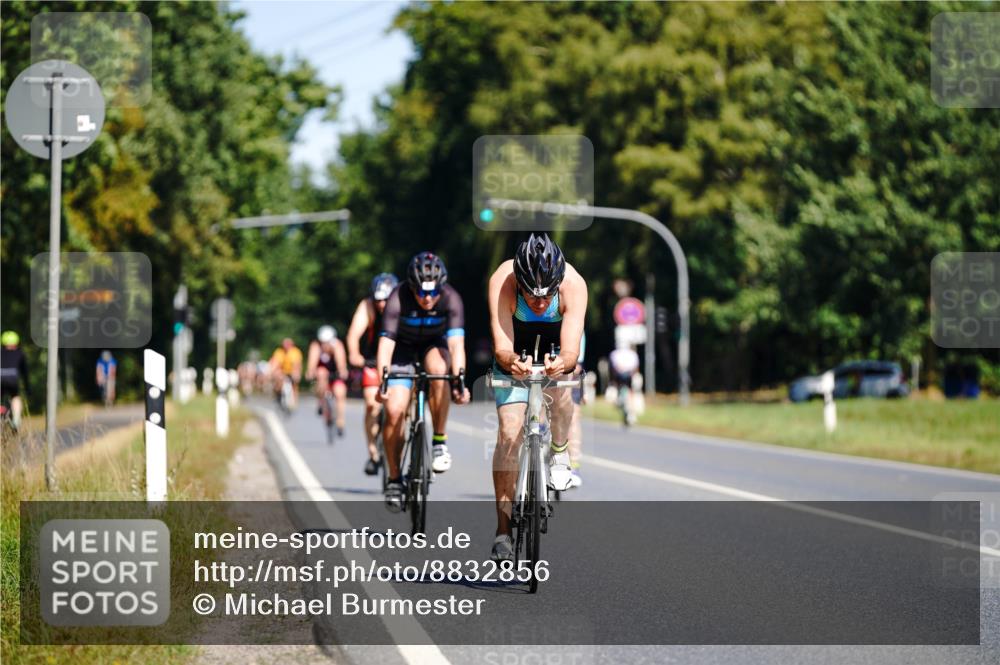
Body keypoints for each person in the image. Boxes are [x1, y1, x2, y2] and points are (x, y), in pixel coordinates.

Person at [487, 233, 587, 561]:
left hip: (557, 347)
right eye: (531, 295)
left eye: (547, 296)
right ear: (519, 282)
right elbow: (502, 347)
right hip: (515, 351)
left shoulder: (574, 284)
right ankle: (503, 530)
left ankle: (559, 452)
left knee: (564, 387)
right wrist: (511, 362)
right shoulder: (502, 281)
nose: (540, 303)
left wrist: (562, 363)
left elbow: (571, 351)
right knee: (508, 434)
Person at [376, 252, 470, 511]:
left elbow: (456, 345)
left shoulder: (451, 298)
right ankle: (395, 479)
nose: (427, 299)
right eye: (421, 292)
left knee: (440, 369)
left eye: (433, 292)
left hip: (433, 345)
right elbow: (385, 345)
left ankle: (439, 441)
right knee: (394, 411)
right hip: (402, 349)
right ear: (411, 287)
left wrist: (459, 381)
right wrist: (383, 381)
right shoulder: (397, 297)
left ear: (442, 287)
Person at [346, 272, 398, 475]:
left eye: (386, 300)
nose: (382, 304)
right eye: (378, 300)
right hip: (372, 360)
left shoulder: (402, 304)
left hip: (398, 359)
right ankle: (373, 453)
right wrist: (354, 354)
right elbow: (353, 334)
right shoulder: (367, 306)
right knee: (371, 404)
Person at [306, 325, 348, 437]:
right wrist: (310, 372)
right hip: (322, 374)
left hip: (335, 373)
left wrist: (342, 371)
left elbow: (341, 363)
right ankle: (320, 400)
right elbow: (312, 363)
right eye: (323, 342)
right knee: (321, 373)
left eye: (327, 342)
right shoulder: (316, 346)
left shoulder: (337, 346)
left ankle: (340, 422)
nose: (325, 345)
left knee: (340, 393)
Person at [0, 331, 29, 430]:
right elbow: (25, 373)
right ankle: (16, 420)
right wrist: (28, 388)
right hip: (12, 380)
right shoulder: (20, 353)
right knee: (15, 397)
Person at [609, 345, 641, 425]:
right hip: (627, 376)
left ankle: (625, 406)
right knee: (630, 393)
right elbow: (636, 368)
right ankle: (627, 408)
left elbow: (613, 367)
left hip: (622, 376)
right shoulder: (633, 354)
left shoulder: (615, 353)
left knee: (628, 392)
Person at [269, 338, 303, 407]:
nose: (286, 346)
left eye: (288, 344)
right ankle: (278, 394)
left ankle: (294, 400)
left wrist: (296, 373)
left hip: (292, 372)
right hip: (282, 372)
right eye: (285, 344)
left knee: (295, 381)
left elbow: (297, 364)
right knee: (278, 377)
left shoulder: (295, 352)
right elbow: (276, 363)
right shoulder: (279, 352)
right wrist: (271, 373)